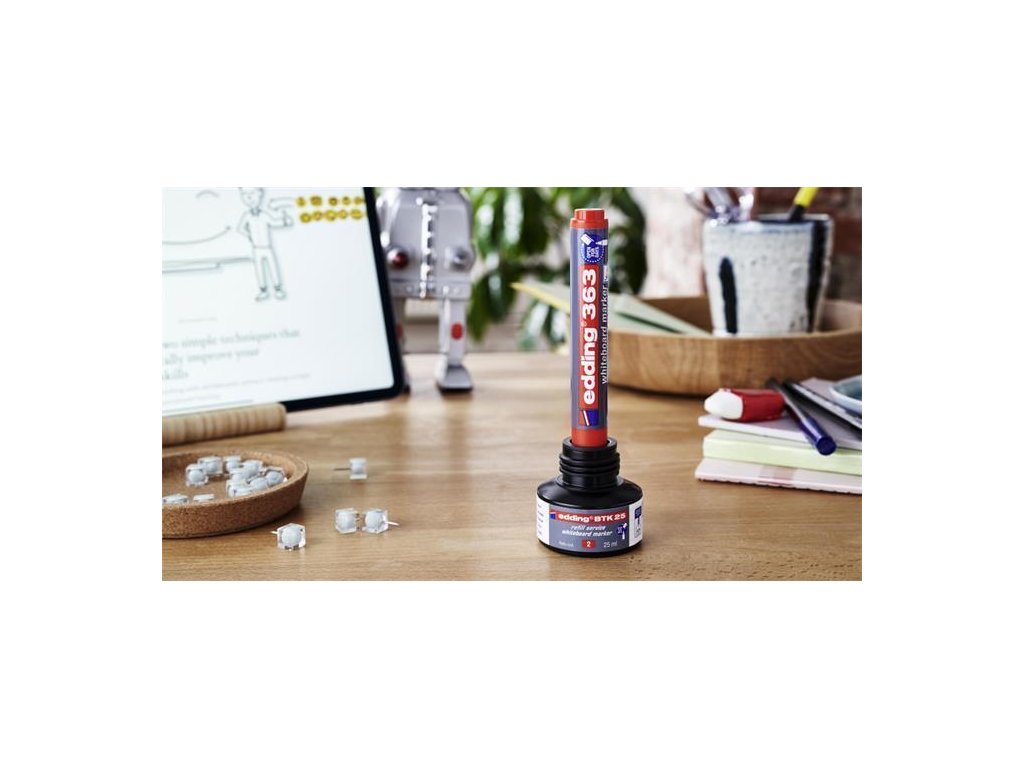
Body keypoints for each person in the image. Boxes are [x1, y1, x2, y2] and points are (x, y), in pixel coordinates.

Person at [237, 187, 292, 301]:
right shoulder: (247, 216)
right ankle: (263, 290)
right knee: (259, 269)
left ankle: (278, 289)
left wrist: (285, 221)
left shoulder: (264, 215)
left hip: (267, 247)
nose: (249, 197)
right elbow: (240, 228)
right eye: (245, 194)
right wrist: (250, 236)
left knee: (273, 267)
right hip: (256, 248)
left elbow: (273, 222)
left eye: (252, 193)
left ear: (259, 195)